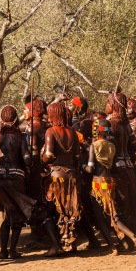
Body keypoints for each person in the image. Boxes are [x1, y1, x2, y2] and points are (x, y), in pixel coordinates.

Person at [86, 118, 136, 253]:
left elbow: (90, 168)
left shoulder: (93, 146)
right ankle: (124, 243)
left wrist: (83, 166)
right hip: (110, 181)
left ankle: (119, 243)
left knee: (105, 216)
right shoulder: (112, 145)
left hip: (99, 183)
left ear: (96, 130)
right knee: (111, 212)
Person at [0, 105, 36, 260]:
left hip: (0, 178)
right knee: (15, 215)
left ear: (1, 119)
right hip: (16, 178)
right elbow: (27, 159)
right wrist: (31, 160)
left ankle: (3, 251)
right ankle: (13, 250)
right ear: (15, 119)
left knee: (6, 216)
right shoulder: (20, 138)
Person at [41, 101, 82, 254]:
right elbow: (78, 155)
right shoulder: (72, 131)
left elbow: (49, 154)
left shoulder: (51, 131)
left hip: (56, 177)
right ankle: (70, 243)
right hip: (72, 175)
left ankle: (56, 246)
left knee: (52, 211)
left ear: (53, 115)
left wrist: (41, 157)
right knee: (70, 210)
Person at [105, 90, 136, 243]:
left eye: (109, 103)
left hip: (116, 169)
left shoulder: (111, 125)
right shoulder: (126, 125)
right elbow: (133, 147)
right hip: (128, 167)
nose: (106, 105)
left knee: (119, 205)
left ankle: (127, 239)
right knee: (130, 203)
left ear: (114, 105)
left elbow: (107, 149)